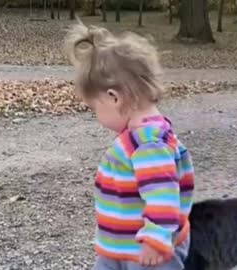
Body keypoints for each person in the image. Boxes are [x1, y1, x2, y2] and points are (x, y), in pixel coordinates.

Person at [63, 19, 195, 270]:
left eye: (94, 107)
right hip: (121, 246)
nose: (96, 116)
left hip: (148, 255)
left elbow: (163, 196)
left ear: (113, 97)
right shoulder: (139, 135)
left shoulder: (149, 144)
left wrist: (156, 240)